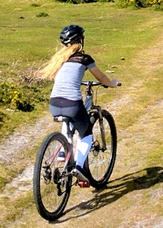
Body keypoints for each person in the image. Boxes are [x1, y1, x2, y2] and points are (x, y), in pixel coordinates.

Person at [38, 24, 120, 187]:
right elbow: (102, 78)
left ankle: (63, 152)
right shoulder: (84, 58)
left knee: (67, 121)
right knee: (87, 134)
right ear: (81, 41)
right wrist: (112, 84)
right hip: (72, 104)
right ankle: (79, 167)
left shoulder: (60, 60)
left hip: (54, 102)